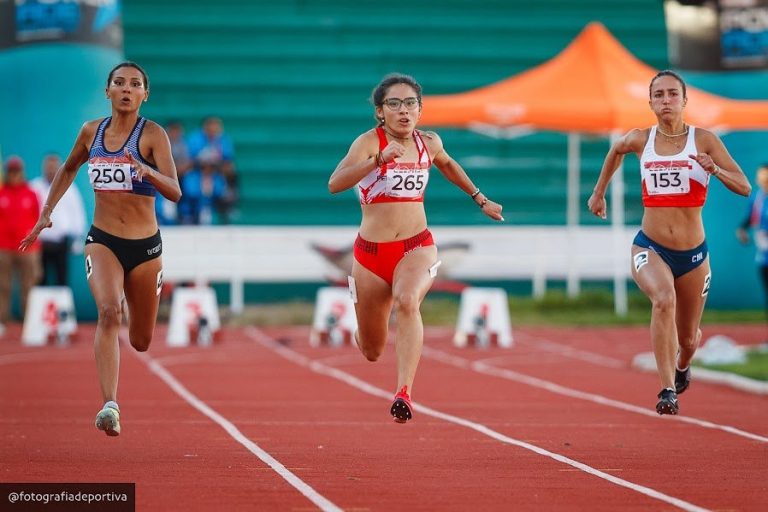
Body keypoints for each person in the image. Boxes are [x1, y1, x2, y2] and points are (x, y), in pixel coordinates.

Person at [328, 73, 504, 423]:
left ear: (420, 111)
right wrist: (378, 161)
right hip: (371, 256)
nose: (404, 111)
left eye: (411, 103)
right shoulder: (367, 143)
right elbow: (335, 183)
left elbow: (449, 165)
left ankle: (404, 393)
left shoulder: (430, 142)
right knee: (372, 350)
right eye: (394, 104)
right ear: (381, 112)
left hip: (416, 246)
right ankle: (363, 328)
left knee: (408, 301)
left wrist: (479, 198)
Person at [20, 62, 182, 436]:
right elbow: (68, 168)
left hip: (145, 248)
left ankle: (134, 321)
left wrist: (147, 171)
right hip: (103, 240)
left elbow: (174, 190)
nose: (127, 89)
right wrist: (46, 213)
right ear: (107, 91)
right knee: (109, 312)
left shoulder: (153, 135)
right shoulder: (90, 131)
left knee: (141, 340)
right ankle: (110, 404)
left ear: (145, 94)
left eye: (135, 84)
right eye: (120, 83)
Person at [587, 70, 751, 415]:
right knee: (663, 299)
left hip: (693, 257)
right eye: (658, 95)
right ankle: (666, 390)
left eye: (672, 94)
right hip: (650, 247)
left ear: (684, 100)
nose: (666, 101)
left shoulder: (704, 140)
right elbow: (615, 151)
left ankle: (682, 364)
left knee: (689, 339)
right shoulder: (640, 139)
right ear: (650, 103)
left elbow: (744, 186)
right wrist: (599, 192)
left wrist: (715, 170)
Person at [30, 153, 87, 286]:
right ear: (43, 167)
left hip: (61, 243)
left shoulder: (70, 188)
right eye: (48, 167)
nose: (50, 170)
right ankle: (39, 307)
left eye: (53, 167)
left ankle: (62, 307)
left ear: (59, 168)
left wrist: (78, 239)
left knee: (61, 281)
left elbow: (77, 214)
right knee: (39, 280)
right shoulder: (34, 187)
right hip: (39, 244)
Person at [0, 156, 42, 328]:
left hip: (28, 249)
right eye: (11, 171)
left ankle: (29, 321)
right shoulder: (1, 193)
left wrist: (35, 245)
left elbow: (38, 219)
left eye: (16, 171)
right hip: (4, 248)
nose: (14, 175)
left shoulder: (31, 193)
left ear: (22, 172)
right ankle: (3, 319)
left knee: (29, 286)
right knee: (3, 286)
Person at [736, 164, 768, 318]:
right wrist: (742, 229)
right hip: (763, 254)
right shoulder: (757, 197)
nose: (764, 180)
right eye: (761, 176)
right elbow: (750, 218)